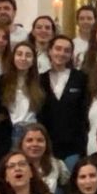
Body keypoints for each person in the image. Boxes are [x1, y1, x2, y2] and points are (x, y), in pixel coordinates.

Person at [38, 35, 89, 170]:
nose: (61, 53)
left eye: (66, 50)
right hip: (47, 149)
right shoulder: (40, 80)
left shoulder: (81, 79)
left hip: (74, 149)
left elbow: (85, 113)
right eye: (58, 49)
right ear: (50, 51)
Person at [0, 41, 41, 157]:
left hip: (31, 133)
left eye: (28, 55)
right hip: (8, 133)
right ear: (13, 58)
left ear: (33, 60)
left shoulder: (40, 83)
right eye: (19, 54)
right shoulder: (1, 82)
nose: (23, 58)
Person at [12, 121, 67, 194]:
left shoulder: (56, 165)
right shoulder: (13, 166)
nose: (35, 144)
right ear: (21, 143)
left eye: (40, 140)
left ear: (46, 143)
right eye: (29, 140)